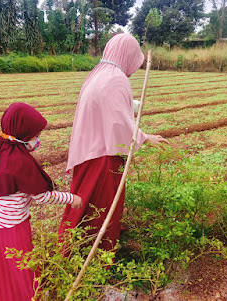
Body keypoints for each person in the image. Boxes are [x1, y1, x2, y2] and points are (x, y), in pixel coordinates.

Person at [58, 34, 168, 252]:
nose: (135, 68)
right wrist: (145, 138)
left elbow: (110, 105)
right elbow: (120, 122)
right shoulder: (116, 78)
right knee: (101, 203)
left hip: (87, 152)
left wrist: (133, 104)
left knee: (85, 202)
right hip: (103, 155)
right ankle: (98, 251)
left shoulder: (99, 74)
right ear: (127, 55)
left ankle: (75, 246)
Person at [0, 102, 82, 301]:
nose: (37, 141)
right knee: (24, 272)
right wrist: (72, 199)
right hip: (12, 228)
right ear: (22, 135)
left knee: (3, 268)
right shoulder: (20, 162)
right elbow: (42, 195)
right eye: (34, 136)